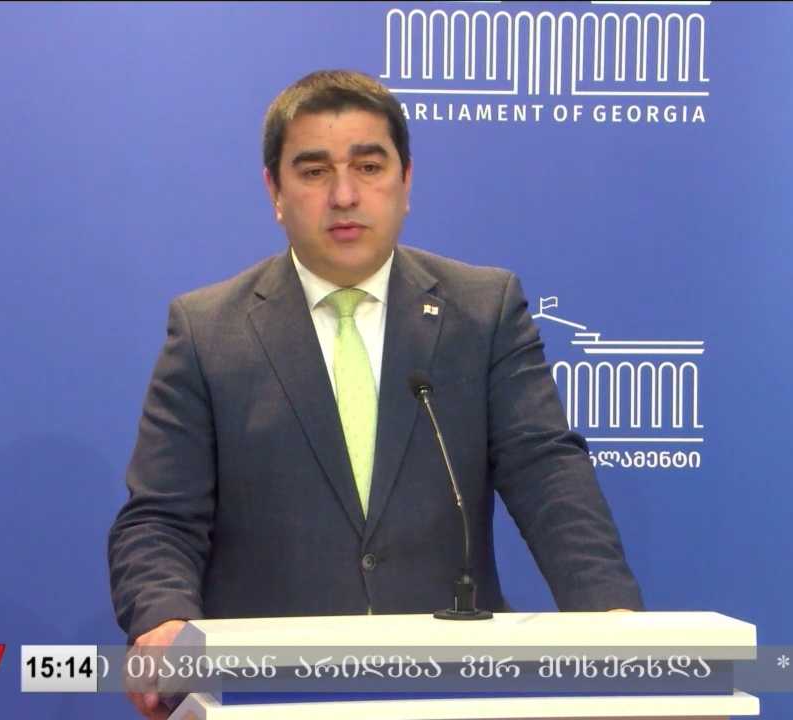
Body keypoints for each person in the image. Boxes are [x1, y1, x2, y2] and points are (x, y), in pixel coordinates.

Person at [108, 69, 643, 719]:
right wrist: (164, 618)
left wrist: (611, 619)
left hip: (453, 690)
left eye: (368, 167)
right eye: (314, 172)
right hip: (267, 695)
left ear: (405, 181)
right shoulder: (208, 330)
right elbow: (161, 517)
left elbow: (546, 473)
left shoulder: (482, 311)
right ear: (274, 190)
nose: (344, 195)